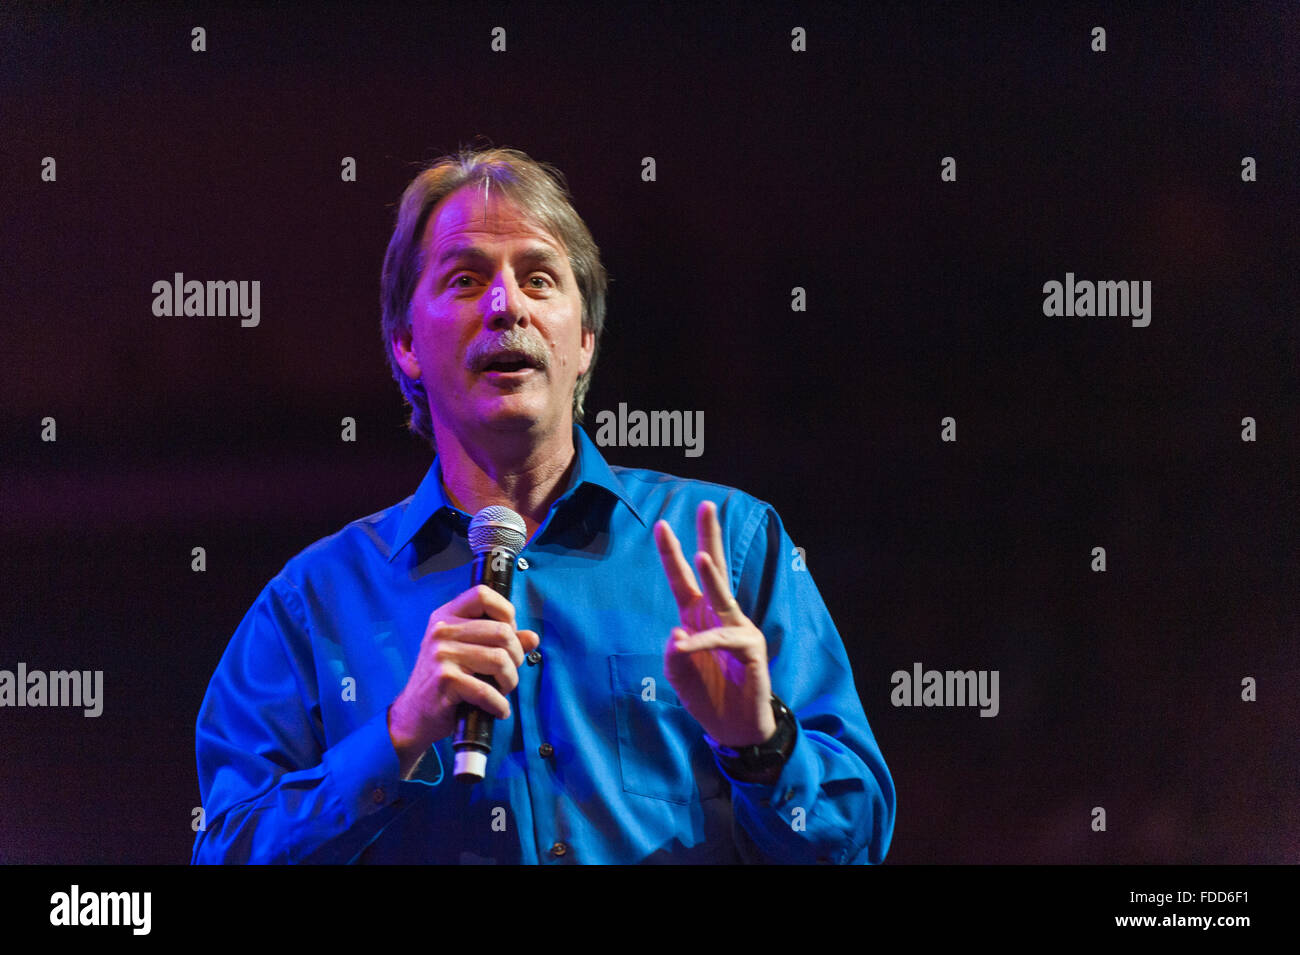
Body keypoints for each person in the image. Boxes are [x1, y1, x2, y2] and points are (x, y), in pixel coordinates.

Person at [191, 146, 895, 864]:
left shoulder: (727, 548)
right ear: (405, 342)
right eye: (466, 280)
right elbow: (225, 853)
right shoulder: (314, 605)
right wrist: (398, 734)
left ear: (584, 339)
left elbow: (856, 840)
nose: (506, 305)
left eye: (538, 278)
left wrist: (762, 741)